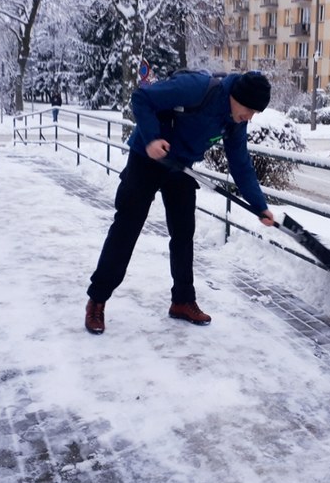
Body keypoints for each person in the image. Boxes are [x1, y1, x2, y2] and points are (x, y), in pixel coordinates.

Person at [84, 70, 275, 335]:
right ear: (235, 96)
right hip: (147, 157)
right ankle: (97, 300)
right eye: (249, 109)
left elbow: (241, 165)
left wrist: (259, 206)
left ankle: (182, 301)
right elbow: (141, 98)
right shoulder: (197, 87)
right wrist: (151, 138)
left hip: (180, 166)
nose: (249, 117)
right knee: (127, 227)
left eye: (255, 113)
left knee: (184, 232)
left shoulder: (235, 121)